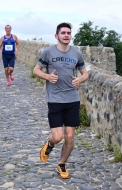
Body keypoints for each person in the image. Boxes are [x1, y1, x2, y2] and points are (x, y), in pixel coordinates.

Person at [33, 22, 88, 179]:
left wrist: (80, 80)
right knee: (58, 137)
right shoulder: (48, 52)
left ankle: (61, 164)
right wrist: (48, 76)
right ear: (57, 36)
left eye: (68, 33)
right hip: (55, 99)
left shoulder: (77, 54)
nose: (66, 35)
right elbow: (36, 70)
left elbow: (85, 73)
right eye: (63, 33)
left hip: (72, 99)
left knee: (70, 137)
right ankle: (49, 144)